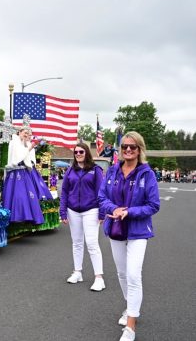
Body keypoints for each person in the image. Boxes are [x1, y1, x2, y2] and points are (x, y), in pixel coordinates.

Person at [98, 131, 160, 341]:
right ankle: (130, 306)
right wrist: (114, 209)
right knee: (122, 274)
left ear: (139, 149)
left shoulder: (147, 174)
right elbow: (102, 197)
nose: (128, 150)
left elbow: (153, 205)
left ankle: (131, 325)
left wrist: (129, 212)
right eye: (124, 146)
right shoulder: (113, 171)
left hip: (138, 230)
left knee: (133, 274)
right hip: (116, 228)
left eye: (132, 147)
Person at [60, 143, 106, 291]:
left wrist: (102, 212)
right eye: (76, 152)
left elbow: (101, 192)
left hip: (91, 210)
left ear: (86, 152)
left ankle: (99, 278)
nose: (78, 154)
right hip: (73, 210)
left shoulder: (96, 170)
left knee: (92, 243)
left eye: (81, 151)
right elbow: (65, 192)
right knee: (77, 243)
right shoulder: (69, 171)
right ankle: (77, 272)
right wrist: (63, 211)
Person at [2, 127, 51, 224]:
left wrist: (30, 148)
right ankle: (16, 217)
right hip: (16, 172)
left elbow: (29, 159)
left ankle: (28, 216)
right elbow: (18, 158)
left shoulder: (25, 143)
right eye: (25, 133)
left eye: (28, 133)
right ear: (19, 132)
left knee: (29, 195)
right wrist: (30, 147)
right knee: (18, 195)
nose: (27, 135)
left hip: (25, 172)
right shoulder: (14, 142)